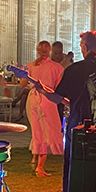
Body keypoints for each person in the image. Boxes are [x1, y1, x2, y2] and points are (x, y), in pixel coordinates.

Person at [35, 30, 96, 192]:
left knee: (74, 166)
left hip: (78, 128)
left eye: (81, 45)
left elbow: (58, 97)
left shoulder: (74, 70)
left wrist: (42, 90)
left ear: (84, 46)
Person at [25, 41, 65, 177]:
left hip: (32, 99)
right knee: (50, 131)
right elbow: (59, 87)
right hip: (47, 98)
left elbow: (22, 83)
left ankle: (35, 160)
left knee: (37, 131)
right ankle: (39, 166)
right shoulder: (56, 67)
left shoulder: (30, 66)